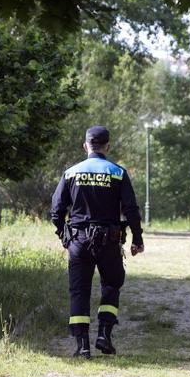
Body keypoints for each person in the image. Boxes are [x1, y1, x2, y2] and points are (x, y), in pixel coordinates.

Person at [50, 126, 144, 358]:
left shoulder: (71, 173)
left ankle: (82, 346)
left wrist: (65, 236)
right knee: (112, 285)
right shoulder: (118, 173)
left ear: (86, 146)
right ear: (107, 146)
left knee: (79, 291)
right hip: (109, 241)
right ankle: (104, 334)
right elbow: (131, 209)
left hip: (78, 241)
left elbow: (56, 210)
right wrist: (137, 239)